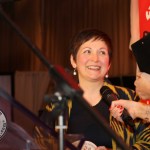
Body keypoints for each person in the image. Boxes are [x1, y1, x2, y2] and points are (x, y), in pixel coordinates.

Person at [34, 29, 150, 150]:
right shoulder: (58, 102)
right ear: (73, 61)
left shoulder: (128, 97)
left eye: (102, 52)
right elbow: (39, 141)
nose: (95, 59)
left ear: (109, 63)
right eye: (87, 51)